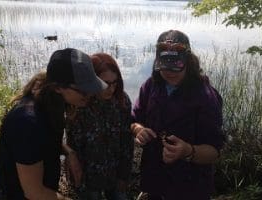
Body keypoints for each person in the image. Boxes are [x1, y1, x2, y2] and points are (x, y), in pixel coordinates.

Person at [0, 48, 107, 200]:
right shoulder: (26, 122)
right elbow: (34, 192)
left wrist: (69, 152)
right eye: (83, 90)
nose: (90, 95)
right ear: (58, 87)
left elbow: (44, 141)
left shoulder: (53, 101)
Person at [131, 30, 224, 200]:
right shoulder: (151, 86)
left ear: (187, 61)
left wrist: (188, 151)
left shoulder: (206, 96)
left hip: (190, 186)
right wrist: (138, 130)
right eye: (165, 66)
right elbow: (134, 120)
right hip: (154, 178)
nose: (170, 72)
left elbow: (214, 151)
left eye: (176, 66)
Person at [65, 53, 134, 200]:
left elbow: (127, 142)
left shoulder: (122, 101)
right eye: (105, 83)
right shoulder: (79, 103)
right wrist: (78, 179)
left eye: (115, 83)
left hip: (115, 174)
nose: (111, 89)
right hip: (88, 178)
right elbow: (74, 144)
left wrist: (124, 175)